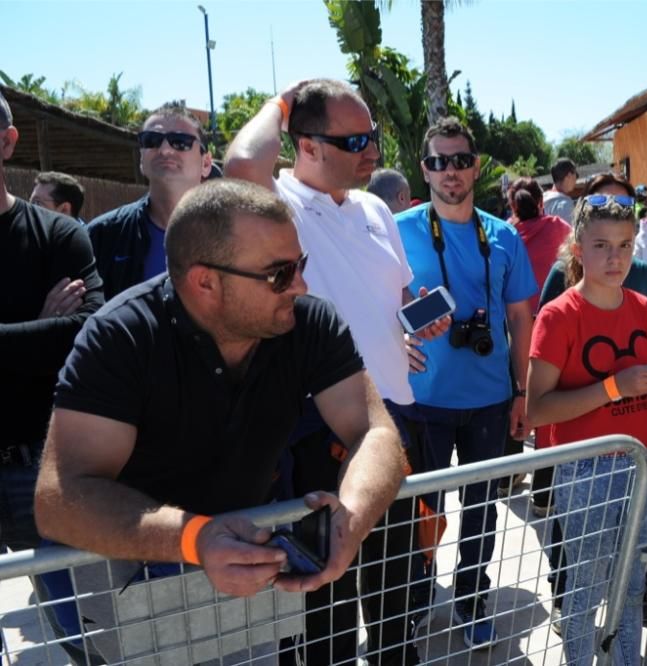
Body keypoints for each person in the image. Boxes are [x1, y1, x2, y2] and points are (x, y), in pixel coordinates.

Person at [34, 178, 405, 664]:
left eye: (301, 264)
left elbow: (376, 432)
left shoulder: (307, 322)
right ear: (205, 282)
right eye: (279, 273)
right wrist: (195, 537)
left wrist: (350, 520)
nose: (301, 285)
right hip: (125, 565)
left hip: (239, 564)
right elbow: (59, 498)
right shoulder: (120, 336)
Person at [225, 79, 445, 666]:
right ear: (306, 145)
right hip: (324, 432)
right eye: (355, 140)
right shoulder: (280, 205)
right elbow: (242, 160)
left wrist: (407, 331)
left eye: (372, 135)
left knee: (399, 593)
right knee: (328, 606)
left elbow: (388, 301)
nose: (373, 150)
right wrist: (283, 99)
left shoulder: (375, 208)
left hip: (396, 418)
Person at [396, 116, 536, 649]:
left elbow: (522, 318)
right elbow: (378, 305)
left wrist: (522, 393)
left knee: (482, 510)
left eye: (459, 160)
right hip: (420, 400)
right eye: (438, 162)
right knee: (421, 513)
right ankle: (415, 601)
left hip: (488, 400)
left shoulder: (502, 235)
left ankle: (472, 600)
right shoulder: (399, 229)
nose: (449, 171)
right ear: (424, 169)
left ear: (475, 166)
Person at [526, 192, 647, 664]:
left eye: (625, 244)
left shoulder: (641, 307)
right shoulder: (557, 316)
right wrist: (615, 386)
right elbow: (536, 411)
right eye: (601, 245)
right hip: (584, 471)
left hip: (641, 463)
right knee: (585, 591)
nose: (615, 257)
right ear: (577, 249)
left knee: (634, 584)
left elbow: (639, 396)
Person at [0, 90, 104, 664]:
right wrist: (36, 327)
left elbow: (87, 332)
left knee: (85, 640)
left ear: (8, 140)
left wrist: (53, 331)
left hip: (46, 465)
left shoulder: (59, 236)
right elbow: (56, 338)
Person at [88, 101, 213, 299]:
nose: (164, 150)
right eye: (151, 140)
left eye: (180, 141)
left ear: (206, 163)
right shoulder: (103, 235)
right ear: (141, 159)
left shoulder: (233, 234)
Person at [540, 174, 647, 302]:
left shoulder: (643, 277)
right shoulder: (561, 274)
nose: (613, 212)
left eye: (623, 207)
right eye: (601, 206)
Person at [506, 176, 571, 313]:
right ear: (541, 202)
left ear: (512, 206)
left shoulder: (504, 234)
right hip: (555, 314)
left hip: (515, 320)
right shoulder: (558, 227)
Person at [543, 157, 577, 223]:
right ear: (569, 175)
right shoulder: (565, 205)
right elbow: (572, 233)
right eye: (576, 175)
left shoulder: (540, 201)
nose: (576, 179)